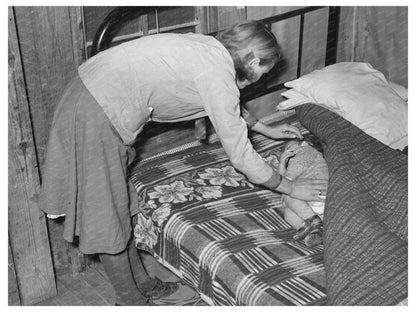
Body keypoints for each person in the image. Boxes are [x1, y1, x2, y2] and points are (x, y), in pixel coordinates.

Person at [39, 20, 327, 305]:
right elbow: (241, 155)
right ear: (252, 61)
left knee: (122, 205)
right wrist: (290, 188)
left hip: (93, 92)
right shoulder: (216, 72)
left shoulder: (212, 49)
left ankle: (144, 284)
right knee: (106, 217)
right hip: (97, 111)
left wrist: (265, 128)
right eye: (264, 71)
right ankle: (130, 302)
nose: (261, 78)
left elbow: (227, 104)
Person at [278, 138, 328, 247]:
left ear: (304, 144)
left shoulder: (306, 151)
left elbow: (286, 180)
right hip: (314, 203)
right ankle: (316, 232)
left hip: (318, 194)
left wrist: (285, 189)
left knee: (288, 196)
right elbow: (282, 179)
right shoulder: (298, 158)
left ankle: (314, 222)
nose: (286, 152)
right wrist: (282, 164)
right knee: (288, 214)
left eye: (288, 147)